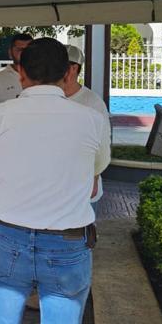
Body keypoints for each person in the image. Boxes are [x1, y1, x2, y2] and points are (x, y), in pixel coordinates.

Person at [0, 38, 110, 324]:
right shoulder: (92, 118)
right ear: (65, 74)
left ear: (21, 73)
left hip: (8, 240)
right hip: (69, 244)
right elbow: (98, 166)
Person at [63, 45, 111, 210]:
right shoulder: (51, 98)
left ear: (73, 69)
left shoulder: (92, 102)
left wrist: (95, 177)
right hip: (56, 188)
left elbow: (102, 144)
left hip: (83, 188)